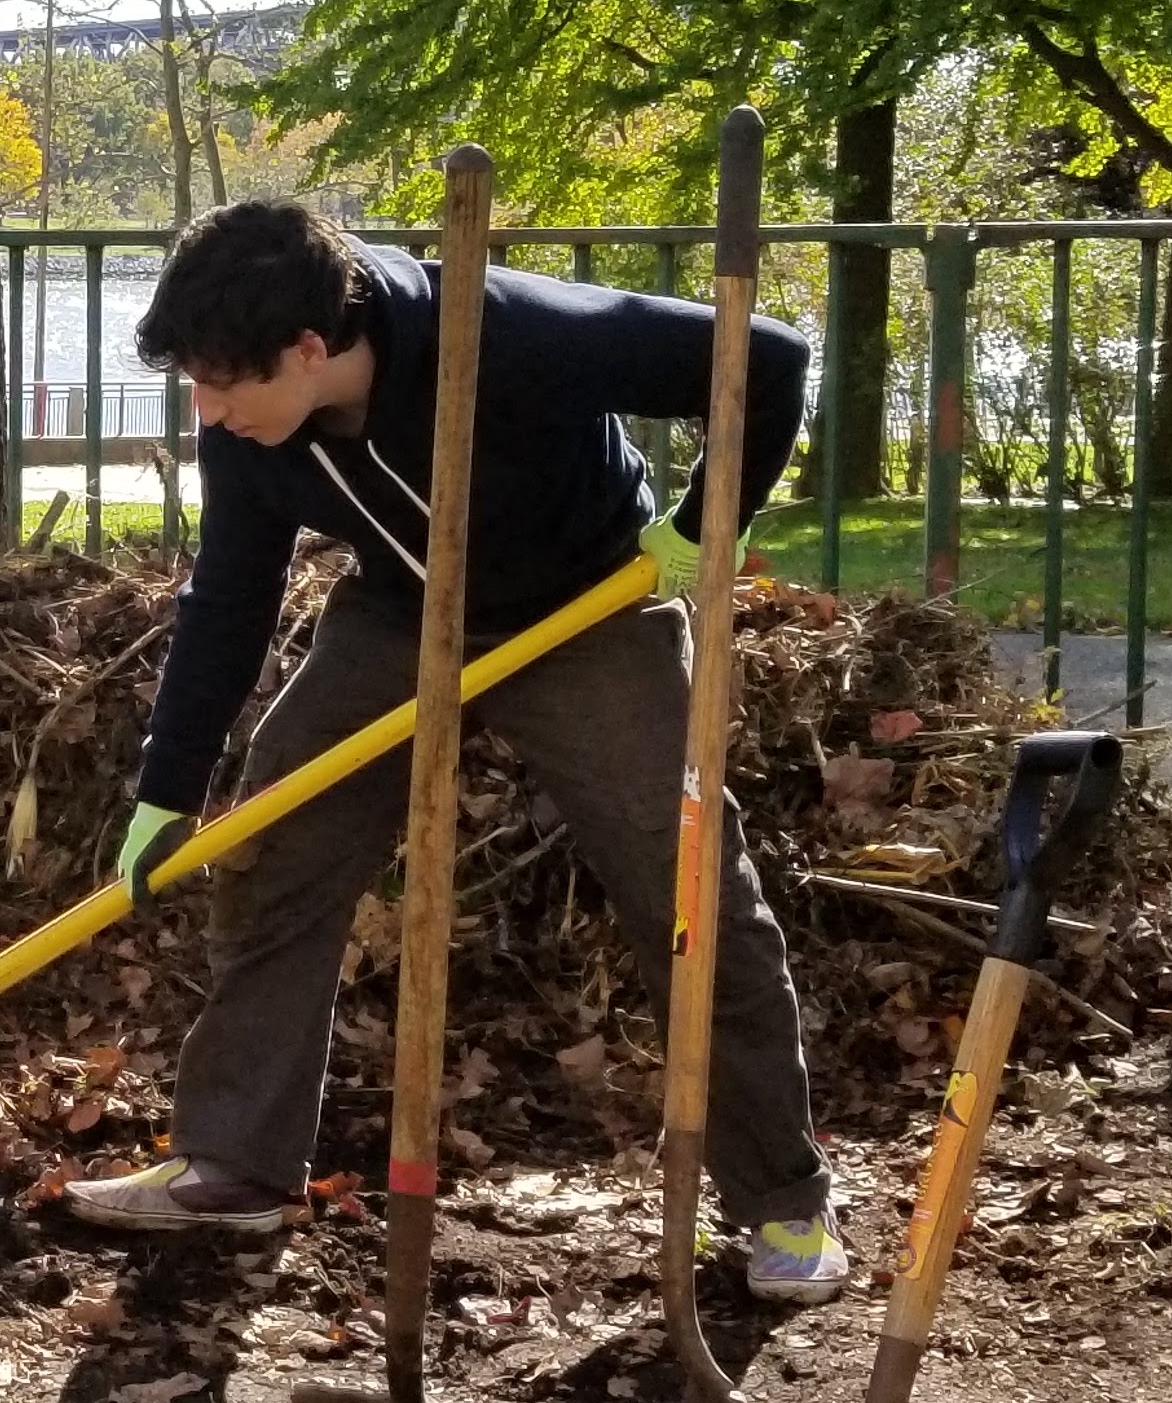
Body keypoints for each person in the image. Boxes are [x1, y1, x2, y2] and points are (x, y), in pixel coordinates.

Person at [60, 197, 848, 1302]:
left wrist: (709, 516)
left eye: (226, 383)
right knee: (277, 845)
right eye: (195, 381)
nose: (208, 409)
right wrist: (169, 783)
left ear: (308, 347)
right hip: (398, 617)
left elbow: (767, 358)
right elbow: (232, 595)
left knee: (687, 889)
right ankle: (233, 1162)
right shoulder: (248, 420)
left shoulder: (511, 330)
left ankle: (784, 1205)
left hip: (587, 612)